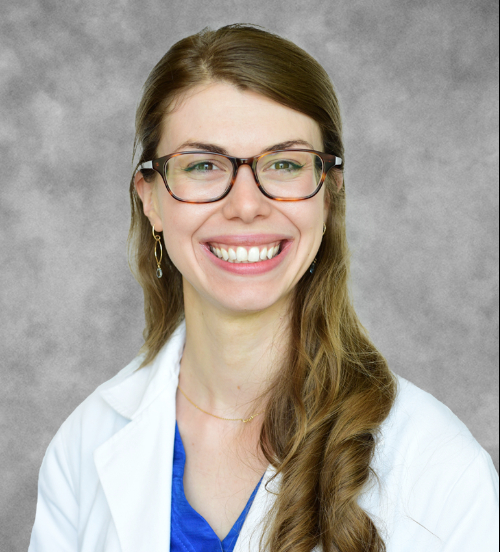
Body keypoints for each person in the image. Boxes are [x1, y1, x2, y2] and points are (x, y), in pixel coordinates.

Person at [29, 24, 498, 552]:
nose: (247, 205)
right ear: (151, 199)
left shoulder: (440, 466)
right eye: (203, 165)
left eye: (284, 164)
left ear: (329, 194)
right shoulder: (83, 446)